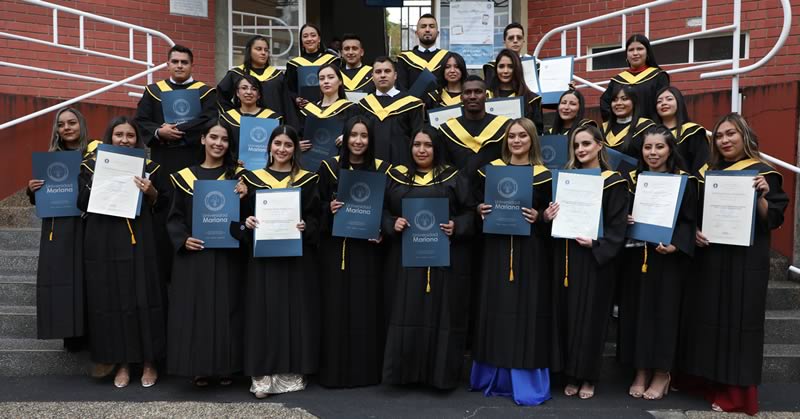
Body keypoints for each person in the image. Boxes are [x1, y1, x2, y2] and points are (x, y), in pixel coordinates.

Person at [679, 113, 788, 415]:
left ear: (745, 136)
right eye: (720, 135)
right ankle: (709, 382)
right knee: (708, 321)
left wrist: (763, 196)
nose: (725, 140)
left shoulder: (762, 174)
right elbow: (693, 214)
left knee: (739, 324)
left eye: (731, 134)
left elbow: (773, 219)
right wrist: (695, 232)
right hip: (711, 257)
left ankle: (737, 394)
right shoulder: (707, 173)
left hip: (745, 261)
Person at [469, 118, 556, 406]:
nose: (516, 141)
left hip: (529, 252)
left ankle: (524, 379)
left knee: (526, 310)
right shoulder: (489, 171)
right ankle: (492, 375)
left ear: (532, 139)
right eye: (512, 136)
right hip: (495, 250)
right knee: (495, 308)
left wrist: (541, 217)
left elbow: (552, 219)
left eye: (522, 136)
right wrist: (479, 210)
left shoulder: (546, 176)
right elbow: (474, 207)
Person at [381, 127, 474, 389]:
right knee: (405, 314)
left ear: (437, 148)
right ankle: (404, 375)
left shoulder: (453, 177)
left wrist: (457, 226)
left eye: (428, 145)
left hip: (442, 259)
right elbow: (381, 211)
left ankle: (439, 377)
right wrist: (391, 223)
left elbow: (471, 213)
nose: (422, 150)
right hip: (403, 260)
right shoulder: (395, 176)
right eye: (417, 144)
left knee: (441, 316)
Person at [78, 116, 167, 389]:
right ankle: (123, 363)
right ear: (110, 137)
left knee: (144, 296)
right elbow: (81, 202)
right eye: (118, 135)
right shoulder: (91, 166)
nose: (124, 140)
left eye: (130, 135)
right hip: (106, 239)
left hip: (141, 240)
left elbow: (163, 205)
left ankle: (150, 362)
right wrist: (99, 179)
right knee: (114, 300)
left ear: (137, 139)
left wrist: (151, 192)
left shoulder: (150, 168)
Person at [235, 125, 321, 399]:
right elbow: (237, 219)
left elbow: (319, 219)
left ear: (295, 148)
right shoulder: (251, 179)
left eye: (288, 144)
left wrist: (308, 225)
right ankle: (262, 371)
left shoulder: (308, 180)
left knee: (293, 312)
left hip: (296, 257)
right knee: (263, 312)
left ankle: (290, 370)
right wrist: (246, 223)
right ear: (269, 146)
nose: (282, 149)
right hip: (262, 258)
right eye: (278, 143)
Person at [544, 125, 629, 399]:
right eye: (577, 145)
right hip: (567, 258)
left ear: (599, 146)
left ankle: (588, 377)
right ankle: (570, 373)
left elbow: (618, 226)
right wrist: (549, 216)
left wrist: (597, 244)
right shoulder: (566, 180)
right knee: (567, 317)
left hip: (595, 260)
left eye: (586, 144)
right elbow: (555, 221)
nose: (581, 149)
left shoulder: (614, 180)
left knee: (591, 319)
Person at [617, 125, 697, 400]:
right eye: (648, 147)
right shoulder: (632, 179)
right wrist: (625, 217)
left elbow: (689, 220)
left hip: (667, 259)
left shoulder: (684, 180)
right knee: (636, 313)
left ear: (670, 149)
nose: (653, 152)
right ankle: (640, 370)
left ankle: (662, 373)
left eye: (659, 147)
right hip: (636, 256)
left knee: (664, 315)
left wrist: (677, 244)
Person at [165, 123, 248, 387]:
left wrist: (246, 196)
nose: (218, 143)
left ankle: (227, 367)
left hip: (227, 254)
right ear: (202, 139)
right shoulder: (185, 177)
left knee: (228, 309)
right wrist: (182, 239)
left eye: (224, 139)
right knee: (198, 311)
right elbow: (174, 217)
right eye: (213, 137)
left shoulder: (239, 178)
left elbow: (248, 218)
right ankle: (199, 367)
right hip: (196, 253)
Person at [316, 116, 392, 388]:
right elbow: (315, 209)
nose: (358, 141)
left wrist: (383, 228)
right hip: (336, 249)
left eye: (364, 136)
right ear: (345, 139)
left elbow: (387, 209)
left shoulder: (383, 170)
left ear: (371, 140)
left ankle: (366, 373)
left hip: (368, 250)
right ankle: (334, 373)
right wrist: (329, 208)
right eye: (353, 135)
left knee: (365, 308)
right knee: (335, 309)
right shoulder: (329, 168)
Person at [26, 108, 89, 353]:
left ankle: (90, 333)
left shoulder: (95, 154)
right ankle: (69, 334)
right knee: (62, 279)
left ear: (81, 125)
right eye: (61, 124)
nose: (67, 127)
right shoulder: (51, 159)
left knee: (86, 278)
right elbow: (40, 197)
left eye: (72, 122)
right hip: (59, 226)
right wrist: (32, 189)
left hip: (86, 224)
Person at [134, 44, 217, 177]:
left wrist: (176, 129)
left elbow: (208, 121)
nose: (179, 66)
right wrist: (159, 132)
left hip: (193, 156)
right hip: (162, 156)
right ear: (168, 65)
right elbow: (141, 120)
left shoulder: (206, 92)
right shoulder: (153, 91)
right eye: (175, 62)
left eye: (184, 62)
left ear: (192, 66)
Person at [358, 57, 424, 166]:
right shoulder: (364, 105)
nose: (383, 75)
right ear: (372, 77)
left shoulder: (411, 104)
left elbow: (417, 138)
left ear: (395, 75)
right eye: (378, 72)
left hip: (402, 165)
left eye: (387, 71)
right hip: (371, 166)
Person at [216, 35, 293, 127]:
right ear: (249, 51)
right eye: (258, 49)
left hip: (274, 126)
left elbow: (288, 105)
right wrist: (233, 115)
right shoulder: (236, 74)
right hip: (243, 125)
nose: (263, 53)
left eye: (266, 50)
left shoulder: (277, 76)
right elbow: (220, 96)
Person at [439, 75, 510, 172]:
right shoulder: (446, 130)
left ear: (487, 96)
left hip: (493, 184)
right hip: (459, 186)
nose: (472, 96)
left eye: (478, 92)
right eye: (468, 92)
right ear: (461, 98)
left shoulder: (504, 127)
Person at [600, 34, 670, 122]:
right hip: (623, 131)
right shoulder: (617, 80)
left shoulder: (659, 76)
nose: (635, 53)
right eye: (631, 50)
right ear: (626, 55)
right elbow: (605, 104)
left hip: (650, 130)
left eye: (640, 49)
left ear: (647, 52)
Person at [218, 74, 283, 161]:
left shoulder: (273, 118)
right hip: (233, 169)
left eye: (254, 89)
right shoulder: (227, 118)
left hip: (265, 169)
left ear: (259, 95)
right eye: (244, 88)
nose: (249, 92)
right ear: (237, 93)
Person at [299, 63, 360, 149]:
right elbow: (299, 134)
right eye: (321, 78)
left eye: (331, 77)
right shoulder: (309, 109)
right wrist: (297, 145)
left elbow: (359, 135)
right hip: (309, 160)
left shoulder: (350, 109)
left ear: (340, 81)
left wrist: (349, 137)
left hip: (339, 159)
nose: (326, 81)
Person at [655, 86, 710, 177]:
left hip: (686, 186)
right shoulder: (650, 134)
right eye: (659, 101)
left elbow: (701, 165)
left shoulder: (693, 132)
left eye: (669, 99)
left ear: (679, 102)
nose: (663, 103)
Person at [488, 49, 544, 134]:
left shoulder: (531, 99)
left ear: (517, 69)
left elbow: (537, 132)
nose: (505, 71)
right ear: (496, 69)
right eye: (501, 66)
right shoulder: (487, 96)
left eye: (510, 66)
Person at [286, 23, 338, 113]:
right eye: (305, 36)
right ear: (301, 41)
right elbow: (289, 89)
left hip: (330, 109)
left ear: (319, 39)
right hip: (302, 112)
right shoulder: (293, 64)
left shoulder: (332, 61)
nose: (309, 39)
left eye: (313, 35)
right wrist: (296, 99)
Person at [396, 13, 449, 93]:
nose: (427, 29)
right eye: (423, 26)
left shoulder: (448, 57)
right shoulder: (404, 59)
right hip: (413, 104)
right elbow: (401, 89)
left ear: (437, 33)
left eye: (431, 26)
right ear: (416, 33)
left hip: (442, 104)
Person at [602, 84, 655, 158]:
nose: (618, 103)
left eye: (624, 99)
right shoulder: (602, 129)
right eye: (614, 100)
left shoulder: (646, 128)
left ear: (634, 102)